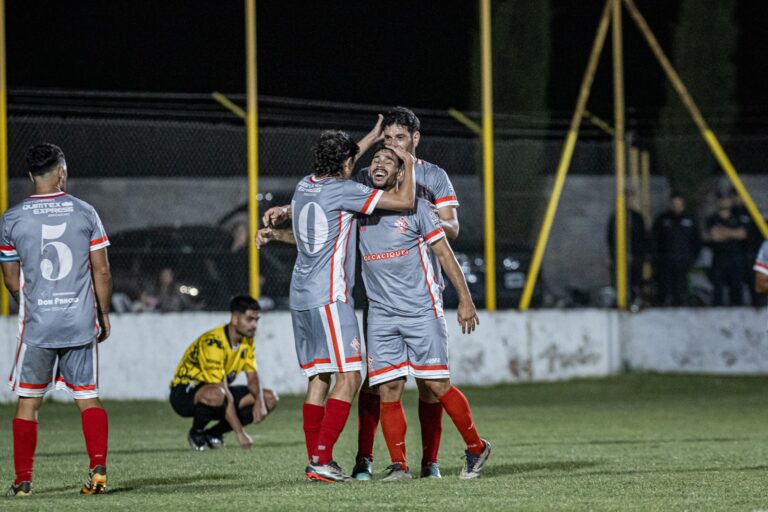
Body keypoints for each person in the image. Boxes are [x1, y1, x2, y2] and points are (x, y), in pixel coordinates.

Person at [262, 107, 461, 480]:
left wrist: (426, 219)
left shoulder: (307, 185)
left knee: (327, 379)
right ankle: (340, 460)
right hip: (349, 298)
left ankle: (329, 460)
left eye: (399, 140)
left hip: (324, 296)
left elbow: (451, 226)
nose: (390, 147)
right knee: (363, 379)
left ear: (415, 139)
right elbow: (386, 200)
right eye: (386, 141)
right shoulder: (358, 183)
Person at [357, 145, 490, 480]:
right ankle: (398, 465)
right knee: (388, 388)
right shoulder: (360, 208)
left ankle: (476, 447)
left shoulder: (418, 207)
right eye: (375, 160)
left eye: (388, 161)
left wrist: (465, 299)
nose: (379, 164)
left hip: (421, 310)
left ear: (401, 173)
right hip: (381, 314)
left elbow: (445, 254)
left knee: (435, 383)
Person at [0, 143, 112, 496]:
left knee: (28, 403)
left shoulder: (12, 218)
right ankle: (97, 468)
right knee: (88, 397)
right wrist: (103, 313)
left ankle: (23, 481)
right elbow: (102, 270)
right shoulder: (85, 212)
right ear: (61, 172)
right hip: (79, 321)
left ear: (31, 175)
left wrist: (30, 304)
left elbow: (11, 279)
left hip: (39, 325)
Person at [169, 295, 277, 451]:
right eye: (249, 319)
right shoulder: (213, 343)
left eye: (256, 320)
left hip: (219, 389)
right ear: (235, 318)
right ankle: (196, 433)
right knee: (219, 394)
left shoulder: (246, 339)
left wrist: (260, 403)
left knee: (269, 398)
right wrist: (240, 433)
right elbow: (223, 391)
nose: (254, 325)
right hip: (184, 394)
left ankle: (213, 434)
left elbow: (252, 376)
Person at [651, 192, 701, 306]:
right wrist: (657, 257)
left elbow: (696, 240)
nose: (676, 206)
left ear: (683, 204)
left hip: (683, 260)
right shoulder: (662, 219)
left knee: (680, 289)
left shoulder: (690, 219)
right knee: (664, 288)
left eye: (678, 203)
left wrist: (693, 257)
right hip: (665, 261)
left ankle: (680, 307)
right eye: (674, 203)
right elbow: (655, 239)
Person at [607, 190, 649, 305]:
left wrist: (641, 255)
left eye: (630, 199)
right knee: (620, 280)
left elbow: (643, 237)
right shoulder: (615, 217)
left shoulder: (637, 218)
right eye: (625, 199)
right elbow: (610, 238)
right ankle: (620, 300)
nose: (628, 201)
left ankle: (635, 300)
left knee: (635, 280)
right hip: (619, 257)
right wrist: (613, 255)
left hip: (636, 256)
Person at [706, 194, 747, 306]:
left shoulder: (737, 216)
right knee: (718, 289)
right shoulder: (712, 218)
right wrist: (733, 233)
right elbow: (714, 236)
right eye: (722, 200)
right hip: (719, 257)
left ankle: (738, 311)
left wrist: (723, 231)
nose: (724, 202)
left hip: (735, 257)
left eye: (726, 199)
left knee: (736, 287)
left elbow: (742, 234)